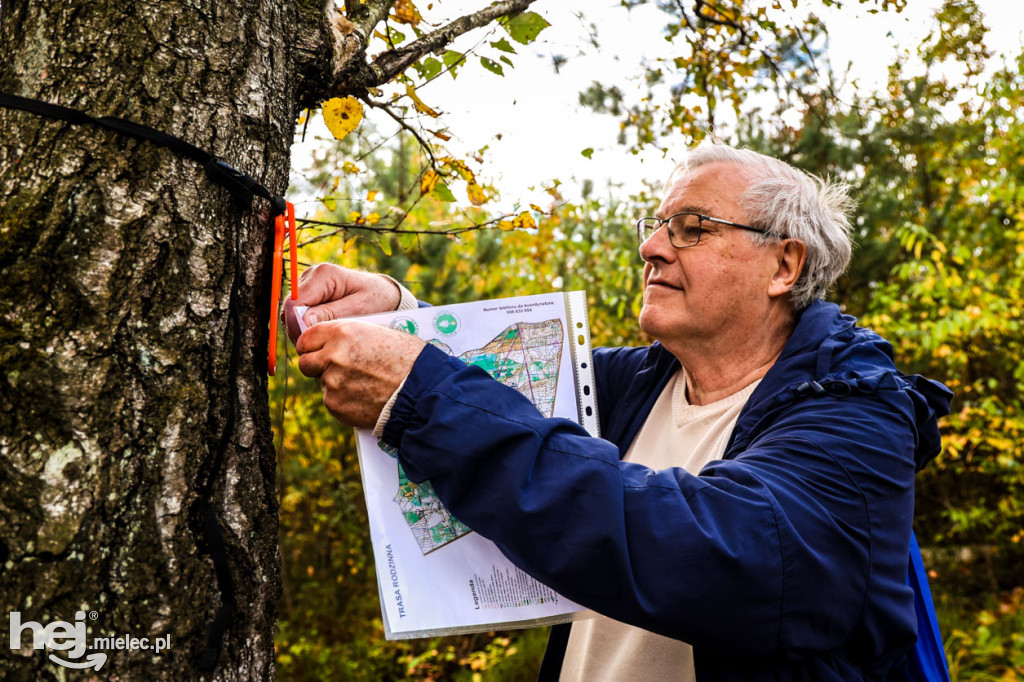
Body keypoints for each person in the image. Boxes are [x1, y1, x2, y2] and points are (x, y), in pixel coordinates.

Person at [288, 142, 953, 681]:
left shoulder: (858, 417)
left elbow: (715, 554)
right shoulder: (635, 382)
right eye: (658, 225)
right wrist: (398, 317)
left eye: (692, 228)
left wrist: (418, 390)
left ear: (784, 264)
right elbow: (503, 389)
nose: (652, 247)